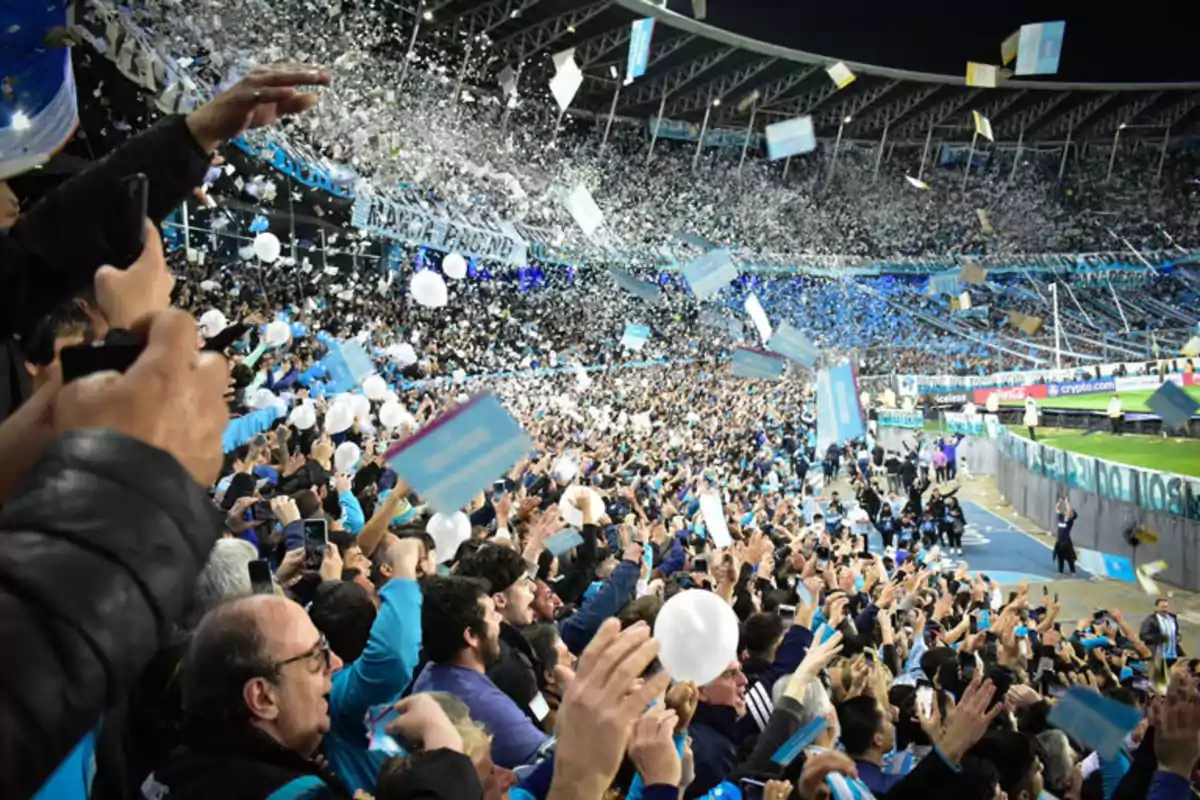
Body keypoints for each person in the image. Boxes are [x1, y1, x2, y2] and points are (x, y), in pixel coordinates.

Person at [411, 576, 550, 769]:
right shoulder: (484, 703)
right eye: (492, 614)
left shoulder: (429, 674)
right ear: (472, 636)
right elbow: (551, 761)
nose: (499, 619)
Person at [836, 695, 900, 795]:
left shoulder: (834, 782)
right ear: (878, 739)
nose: (892, 725)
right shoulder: (894, 787)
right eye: (887, 719)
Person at [1139, 597, 1186, 665]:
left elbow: (1176, 631)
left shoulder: (1173, 618)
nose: (1165, 609)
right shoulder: (1150, 620)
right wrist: (1159, 638)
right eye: (1162, 607)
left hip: (1173, 653)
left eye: (1166, 607)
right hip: (1158, 654)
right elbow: (1142, 636)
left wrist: (1178, 636)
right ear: (1156, 608)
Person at [1053, 497, 1078, 575]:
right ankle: (1060, 571)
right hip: (1060, 541)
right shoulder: (1061, 517)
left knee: (1069, 558)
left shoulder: (1069, 521)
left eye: (1069, 514)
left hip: (1066, 542)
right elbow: (1056, 509)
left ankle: (1073, 572)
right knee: (1060, 557)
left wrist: (1066, 502)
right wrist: (1060, 501)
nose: (1066, 513)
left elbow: (1069, 512)